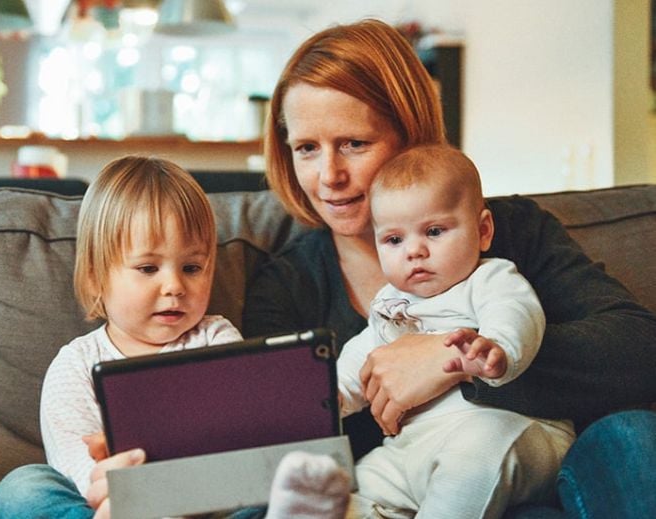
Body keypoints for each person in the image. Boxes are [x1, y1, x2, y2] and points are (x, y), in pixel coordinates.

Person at [241, 18, 656, 517]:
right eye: (307, 148)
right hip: (388, 493)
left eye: (354, 143)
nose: (330, 176)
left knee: (633, 435)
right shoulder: (286, 285)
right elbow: (279, 440)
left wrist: (450, 360)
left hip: (538, 477)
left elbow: (639, 350)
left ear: (409, 137)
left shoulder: (509, 231)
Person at [0, 155, 349, 519]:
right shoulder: (75, 364)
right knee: (25, 488)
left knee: (279, 482)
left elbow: (240, 442)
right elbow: (77, 471)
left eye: (192, 268)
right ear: (97, 276)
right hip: (113, 508)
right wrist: (122, 492)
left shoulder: (216, 338)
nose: (174, 286)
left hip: (208, 506)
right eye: (147, 268)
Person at [336, 144, 574, 517]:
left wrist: (498, 348)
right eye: (394, 240)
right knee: (342, 494)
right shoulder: (390, 303)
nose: (414, 251)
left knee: (473, 458)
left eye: (433, 231)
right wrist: (332, 395)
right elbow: (364, 354)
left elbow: (516, 311)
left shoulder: (489, 278)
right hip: (412, 448)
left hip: (507, 430)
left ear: (482, 231)